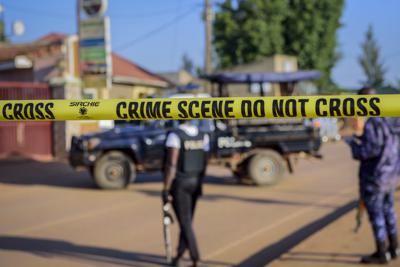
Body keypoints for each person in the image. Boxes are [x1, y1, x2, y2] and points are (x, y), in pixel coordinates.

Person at [349, 87, 400, 264]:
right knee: (389, 212)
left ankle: (382, 253)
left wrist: (353, 144)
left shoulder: (373, 123)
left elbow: (368, 151)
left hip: (375, 178)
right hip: (391, 175)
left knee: (377, 215)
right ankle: (395, 248)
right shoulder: (390, 119)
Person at [162, 120, 209, 267]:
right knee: (187, 222)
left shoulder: (175, 136)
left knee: (186, 223)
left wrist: (165, 189)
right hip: (196, 182)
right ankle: (179, 257)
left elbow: (171, 165)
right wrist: (200, 182)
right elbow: (205, 162)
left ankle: (196, 259)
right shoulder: (203, 135)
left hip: (180, 185)